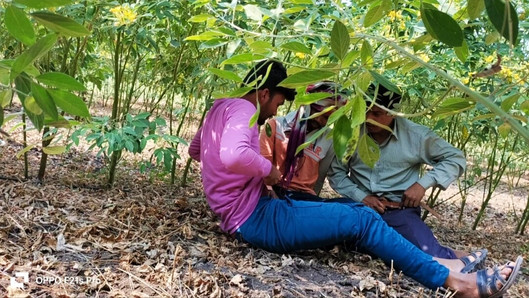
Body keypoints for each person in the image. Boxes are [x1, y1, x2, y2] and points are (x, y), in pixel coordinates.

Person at [188, 60, 522, 297]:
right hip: (256, 216)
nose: (275, 109)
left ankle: (441, 264)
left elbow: (196, 150)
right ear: (263, 93)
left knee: (360, 219)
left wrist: (226, 189)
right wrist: (269, 171)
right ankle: (458, 284)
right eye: (277, 100)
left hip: (252, 212)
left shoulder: (219, 107)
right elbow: (233, 155)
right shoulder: (249, 111)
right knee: (361, 219)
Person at [328, 83, 468, 260]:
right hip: (358, 207)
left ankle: (460, 260)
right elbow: (336, 174)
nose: (368, 118)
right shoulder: (351, 132)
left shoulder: (415, 136)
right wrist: (361, 197)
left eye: (376, 113)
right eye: (365, 111)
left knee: (427, 256)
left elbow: (455, 158)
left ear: (393, 112)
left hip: (399, 211)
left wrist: (422, 184)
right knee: (323, 231)